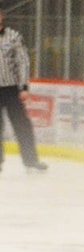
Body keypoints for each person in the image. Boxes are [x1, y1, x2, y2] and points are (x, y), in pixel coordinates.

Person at [0, 5, 47, 173]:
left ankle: (31, 160)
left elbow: (23, 62)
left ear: (1, 16)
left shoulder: (14, 37)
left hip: (11, 89)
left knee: (22, 125)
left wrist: (24, 86)